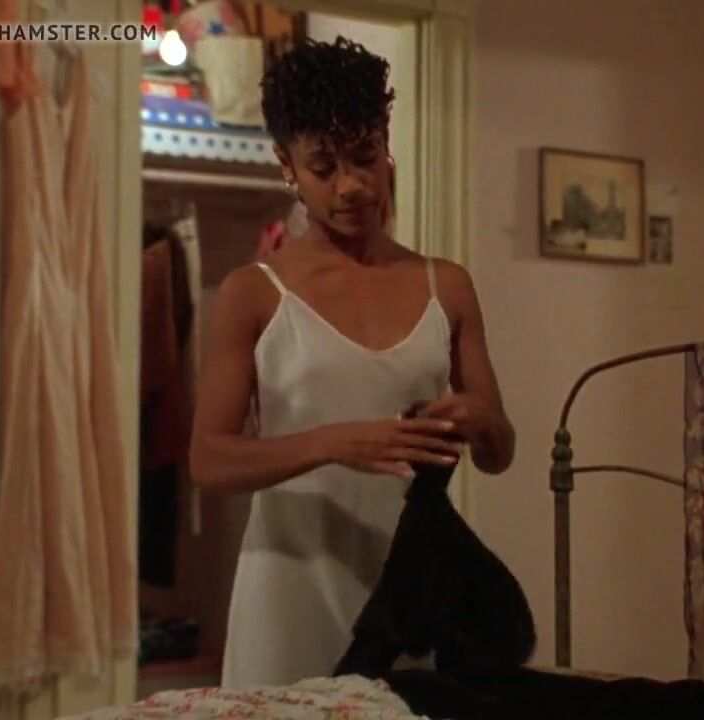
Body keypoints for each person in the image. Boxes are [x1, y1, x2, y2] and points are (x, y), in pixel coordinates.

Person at [188, 37, 516, 689]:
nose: (352, 186)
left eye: (366, 157)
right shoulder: (253, 292)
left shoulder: (446, 285)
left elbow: (499, 452)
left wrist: (478, 416)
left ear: (386, 143)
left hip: (409, 585)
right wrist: (332, 442)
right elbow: (209, 461)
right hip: (288, 586)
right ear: (288, 166)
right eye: (323, 167)